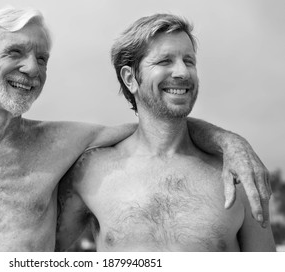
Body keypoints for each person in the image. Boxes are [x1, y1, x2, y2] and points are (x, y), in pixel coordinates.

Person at [0, 7, 270, 252]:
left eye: (42, 58)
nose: (32, 68)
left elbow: (155, 123)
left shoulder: (61, 144)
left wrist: (229, 141)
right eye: (15, 52)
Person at [56, 14, 276, 251]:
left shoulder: (236, 175)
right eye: (165, 61)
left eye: (189, 61)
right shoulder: (90, 172)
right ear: (130, 78)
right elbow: (37, 252)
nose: (182, 72)